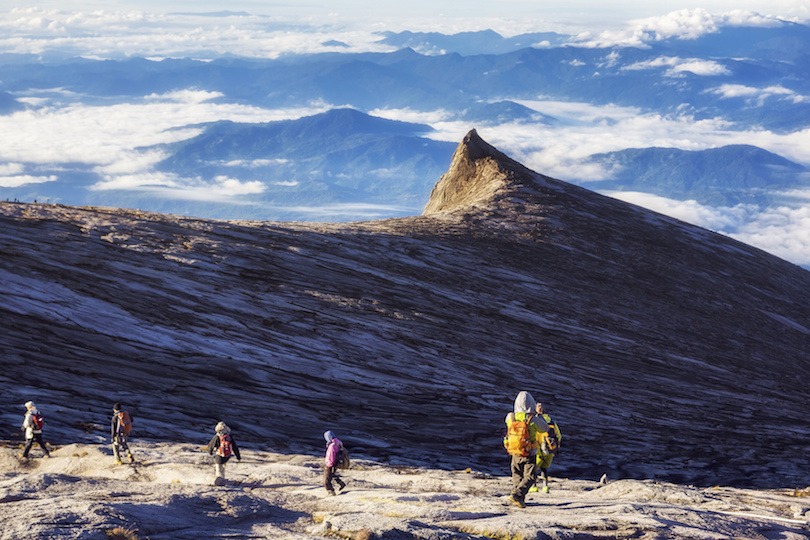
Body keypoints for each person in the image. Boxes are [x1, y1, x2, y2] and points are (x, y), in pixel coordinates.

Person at [503, 391, 548, 508]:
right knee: (530, 477)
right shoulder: (532, 419)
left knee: (517, 474)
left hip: (514, 450)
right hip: (529, 453)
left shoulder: (510, 417)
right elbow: (545, 428)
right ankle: (517, 495)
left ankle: (518, 497)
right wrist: (539, 414)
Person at [529, 401, 563, 493]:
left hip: (538, 447)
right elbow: (558, 434)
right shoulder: (550, 419)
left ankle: (534, 486)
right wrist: (557, 446)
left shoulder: (534, 419)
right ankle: (545, 486)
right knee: (544, 468)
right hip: (549, 447)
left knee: (534, 467)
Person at [323, 430, 347, 496]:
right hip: (336, 463)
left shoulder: (332, 445)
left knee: (326, 481)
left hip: (331, 464)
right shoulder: (338, 443)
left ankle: (331, 492)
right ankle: (341, 483)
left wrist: (329, 465)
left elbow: (332, 455)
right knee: (332, 475)